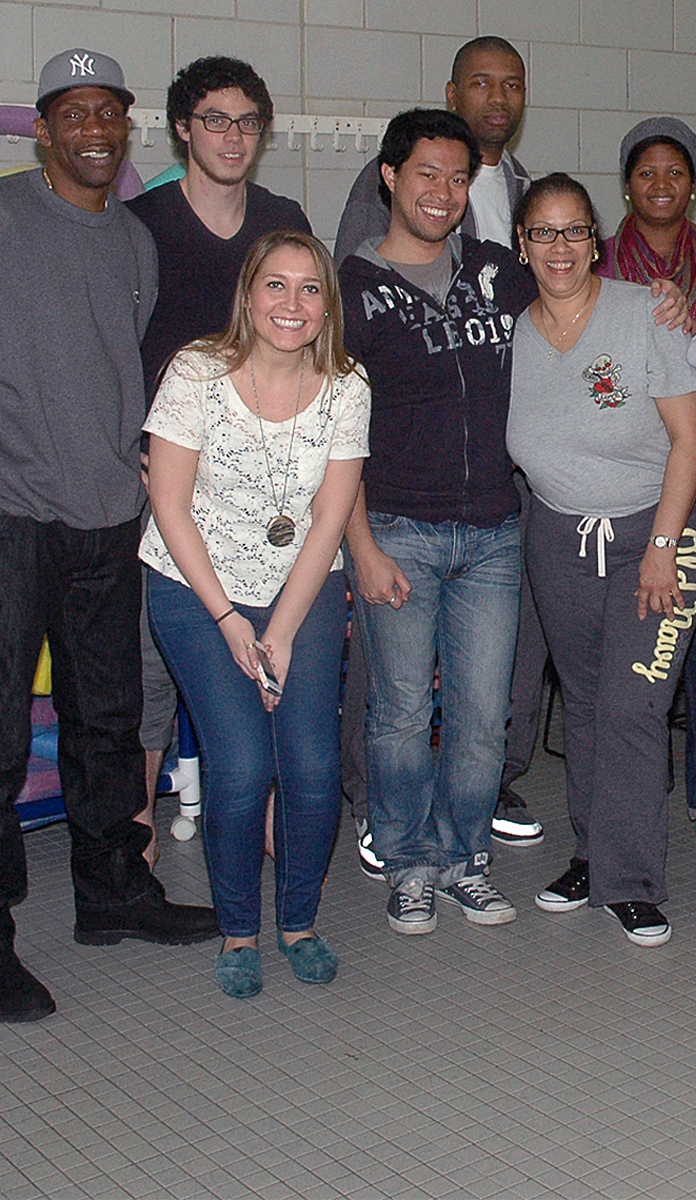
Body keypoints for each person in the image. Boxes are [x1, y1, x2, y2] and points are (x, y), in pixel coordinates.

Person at [0, 48, 220, 1022]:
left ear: (123, 129)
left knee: (104, 722)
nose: (93, 128)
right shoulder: (5, 218)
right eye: (72, 112)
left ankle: (113, 895)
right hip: (13, 517)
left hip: (106, 521)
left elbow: (118, 370)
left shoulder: (132, 240)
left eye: (107, 113)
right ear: (45, 127)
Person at [333, 38, 543, 873]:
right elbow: (335, 434)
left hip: (492, 532)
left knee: (483, 714)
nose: (443, 192)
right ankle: (405, 848)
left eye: (458, 179)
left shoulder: (498, 271)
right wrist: (362, 547)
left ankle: (463, 858)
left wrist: (660, 304)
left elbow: (577, 320)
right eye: (426, 174)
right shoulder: (350, 288)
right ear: (389, 178)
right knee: (395, 712)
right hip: (398, 530)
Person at [141, 232, 368, 998]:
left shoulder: (347, 384)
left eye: (310, 290)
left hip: (297, 591)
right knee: (242, 766)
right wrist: (233, 623)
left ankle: (298, 923)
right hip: (194, 589)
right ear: (249, 294)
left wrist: (278, 629)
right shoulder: (196, 372)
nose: (292, 304)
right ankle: (239, 930)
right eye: (276, 286)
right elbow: (169, 506)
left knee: (310, 766)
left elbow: (331, 519)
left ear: (326, 305)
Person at [508, 174, 696, 948]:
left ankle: (632, 882)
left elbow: (689, 442)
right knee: (587, 704)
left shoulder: (643, 313)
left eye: (573, 231)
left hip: (660, 533)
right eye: (543, 233)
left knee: (633, 705)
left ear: (596, 238)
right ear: (523, 246)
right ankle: (594, 854)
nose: (560, 248)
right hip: (559, 537)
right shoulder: (515, 331)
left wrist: (661, 549)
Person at [128, 56, 312, 858]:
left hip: (264, 486)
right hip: (166, 480)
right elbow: (115, 347)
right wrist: (136, 450)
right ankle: (135, 820)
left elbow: (311, 337)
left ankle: (261, 805)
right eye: (214, 119)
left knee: (266, 643)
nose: (232, 136)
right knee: (150, 665)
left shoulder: (281, 217)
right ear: (180, 128)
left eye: (246, 122)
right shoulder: (144, 223)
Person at [597, 116, 696, 870]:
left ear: (694, 185)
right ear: (626, 183)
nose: (660, 185)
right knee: (628, 654)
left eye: (675, 173)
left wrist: (692, 335)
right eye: (646, 172)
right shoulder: (592, 262)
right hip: (620, 475)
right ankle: (622, 794)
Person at [335, 36, 529, 261]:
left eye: (512, 85)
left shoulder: (524, 187)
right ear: (452, 95)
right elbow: (352, 275)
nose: (498, 98)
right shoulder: (396, 175)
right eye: (481, 83)